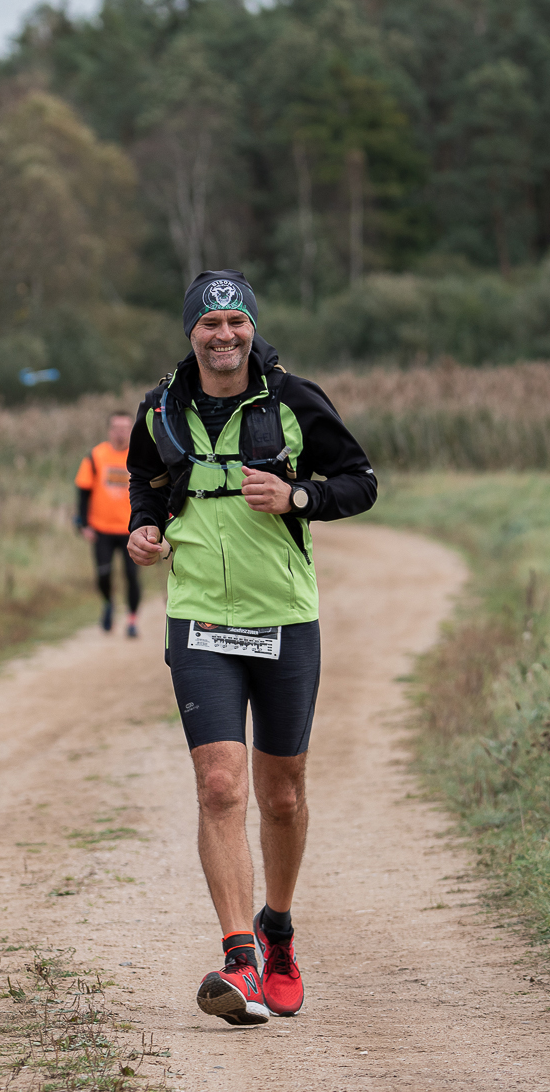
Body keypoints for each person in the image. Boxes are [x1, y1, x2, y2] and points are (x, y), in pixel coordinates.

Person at [125, 271, 376, 1026]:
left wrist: (299, 497)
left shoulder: (294, 400)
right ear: (191, 332)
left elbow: (360, 482)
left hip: (284, 619)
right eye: (210, 323)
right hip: (200, 617)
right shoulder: (160, 408)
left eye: (236, 321)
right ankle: (239, 961)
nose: (224, 335)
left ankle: (278, 931)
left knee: (282, 793)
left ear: (252, 327)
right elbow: (146, 478)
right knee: (219, 785)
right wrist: (143, 527)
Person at [74, 412, 142, 637]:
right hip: (101, 529)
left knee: (131, 575)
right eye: (116, 428)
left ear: (131, 430)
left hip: (131, 529)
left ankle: (132, 620)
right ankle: (108, 603)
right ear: (109, 430)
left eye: (125, 428)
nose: (120, 432)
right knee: (103, 574)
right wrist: (83, 524)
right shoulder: (96, 456)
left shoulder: (140, 456)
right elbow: (83, 491)